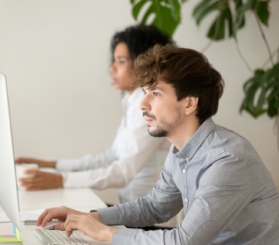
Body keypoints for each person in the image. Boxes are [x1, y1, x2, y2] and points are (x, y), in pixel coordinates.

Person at [36, 44, 279, 245]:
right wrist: (93, 216)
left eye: (155, 93)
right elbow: (154, 207)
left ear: (189, 104)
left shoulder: (228, 160)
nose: (143, 104)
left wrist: (105, 233)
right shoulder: (180, 150)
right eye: (145, 92)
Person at [15, 25, 173, 205]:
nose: (111, 68)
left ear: (144, 64)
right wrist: (52, 165)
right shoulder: (132, 103)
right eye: (114, 61)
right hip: (132, 210)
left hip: (152, 220)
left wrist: (60, 180)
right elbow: (111, 157)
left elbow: (122, 173)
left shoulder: (149, 107)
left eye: (121, 61)